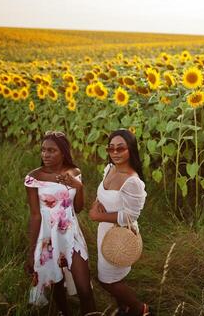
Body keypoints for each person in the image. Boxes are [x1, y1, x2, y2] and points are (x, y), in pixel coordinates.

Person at [24, 130, 96, 315]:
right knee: (56, 284)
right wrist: (32, 251)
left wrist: (77, 186)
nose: (45, 155)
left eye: (51, 150)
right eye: (43, 150)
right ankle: (65, 312)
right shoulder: (34, 178)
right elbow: (35, 216)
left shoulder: (74, 172)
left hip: (71, 234)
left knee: (85, 290)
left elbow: (78, 208)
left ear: (63, 152)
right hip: (47, 236)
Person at [89, 129, 152, 316]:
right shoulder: (110, 169)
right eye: (111, 149)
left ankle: (140, 309)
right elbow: (102, 192)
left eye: (120, 149)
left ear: (130, 150)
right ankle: (123, 308)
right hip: (105, 232)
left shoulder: (132, 182)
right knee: (112, 273)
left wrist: (97, 216)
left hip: (120, 236)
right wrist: (96, 203)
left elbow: (131, 216)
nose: (115, 153)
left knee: (108, 280)